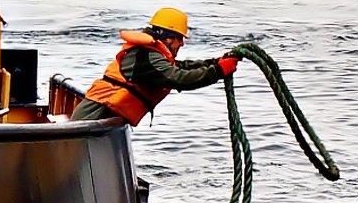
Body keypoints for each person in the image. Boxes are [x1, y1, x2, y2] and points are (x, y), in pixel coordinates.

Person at [71, 7, 239, 124]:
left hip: (100, 121)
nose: (181, 44)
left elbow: (180, 67)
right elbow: (179, 78)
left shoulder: (152, 54)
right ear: (167, 36)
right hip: (90, 120)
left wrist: (215, 62)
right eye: (179, 38)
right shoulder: (145, 57)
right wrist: (218, 71)